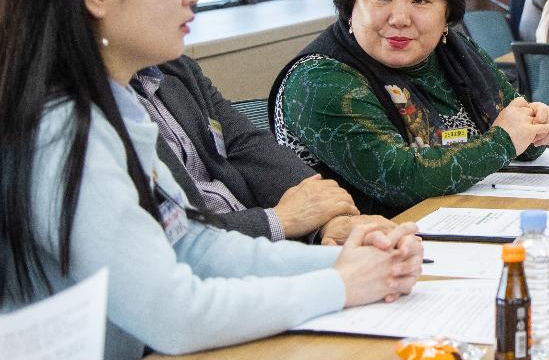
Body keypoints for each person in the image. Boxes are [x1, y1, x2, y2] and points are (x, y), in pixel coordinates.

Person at [0, 0, 421, 360]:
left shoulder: (120, 104)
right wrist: (345, 284)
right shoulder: (63, 130)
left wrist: (345, 263)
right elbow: (173, 312)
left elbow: (192, 246)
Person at [272, 0, 549, 216]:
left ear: (446, 13)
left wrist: (534, 127)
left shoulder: (452, 50)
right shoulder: (319, 79)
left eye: (421, 0)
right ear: (349, 4)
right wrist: (503, 142)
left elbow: (513, 124)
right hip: (366, 249)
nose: (400, 18)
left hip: (464, 224)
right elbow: (399, 178)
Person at [142, 55, 394, 244]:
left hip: (267, 254)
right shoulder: (108, 117)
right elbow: (176, 237)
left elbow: (248, 144)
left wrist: (327, 219)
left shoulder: (177, 69)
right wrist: (278, 220)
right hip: (215, 274)